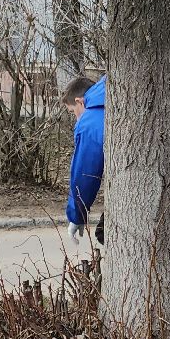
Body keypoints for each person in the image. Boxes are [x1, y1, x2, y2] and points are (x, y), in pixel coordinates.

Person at [64, 76, 105, 248]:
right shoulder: (107, 87)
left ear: (79, 101)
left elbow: (86, 173)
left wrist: (77, 216)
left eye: (73, 112)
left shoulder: (90, 121)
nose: (76, 118)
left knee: (104, 233)